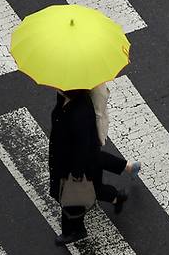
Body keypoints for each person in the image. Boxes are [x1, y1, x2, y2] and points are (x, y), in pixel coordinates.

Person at [48, 88, 139, 246]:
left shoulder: (80, 113)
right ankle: (116, 197)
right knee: (91, 189)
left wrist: (76, 173)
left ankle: (74, 231)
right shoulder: (65, 99)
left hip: (77, 163)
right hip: (70, 158)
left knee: (71, 197)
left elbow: (81, 148)